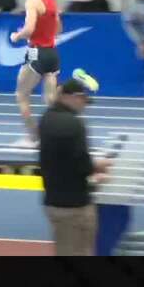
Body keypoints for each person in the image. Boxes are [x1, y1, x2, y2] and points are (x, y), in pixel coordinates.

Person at [39, 75, 109, 255]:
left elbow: (62, 159)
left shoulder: (46, 119)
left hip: (53, 201)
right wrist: (98, 169)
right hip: (75, 206)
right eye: (82, 100)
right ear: (71, 97)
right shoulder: (75, 124)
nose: (84, 105)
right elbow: (82, 165)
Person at [10, 0, 70, 146]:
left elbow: (29, 29)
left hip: (37, 54)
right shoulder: (51, 0)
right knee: (51, 100)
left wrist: (17, 36)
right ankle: (64, 132)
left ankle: (34, 138)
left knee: (21, 95)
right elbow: (59, 28)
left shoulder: (32, 2)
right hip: (52, 54)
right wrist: (44, 32)